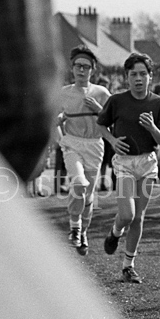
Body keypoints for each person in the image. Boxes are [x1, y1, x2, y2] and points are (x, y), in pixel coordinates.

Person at [97, 52, 160, 284]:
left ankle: (128, 266)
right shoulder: (117, 100)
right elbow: (101, 125)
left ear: (150, 76)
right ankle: (115, 232)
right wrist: (112, 141)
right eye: (133, 75)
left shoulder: (159, 103)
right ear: (126, 77)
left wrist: (152, 129)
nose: (138, 79)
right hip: (125, 163)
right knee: (127, 214)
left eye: (143, 74)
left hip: (148, 162)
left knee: (138, 218)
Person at [57, 45, 111, 255]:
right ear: (72, 68)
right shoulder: (63, 93)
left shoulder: (102, 93)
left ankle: (83, 232)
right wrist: (61, 138)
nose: (81, 70)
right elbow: (52, 121)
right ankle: (74, 227)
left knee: (88, 196)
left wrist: (100, 110)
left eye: (86, 67)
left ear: (93, 70)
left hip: (94, 145)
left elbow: (112, 121)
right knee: (78, 182)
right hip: (72, 143)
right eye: (78, 66)